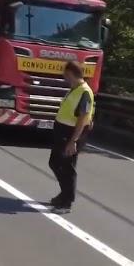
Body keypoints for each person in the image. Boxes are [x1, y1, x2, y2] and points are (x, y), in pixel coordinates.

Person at [48, 61, 94, 214]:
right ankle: (64, 194)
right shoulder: (74, 89)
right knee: (54, 163)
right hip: (62, 132)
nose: (64, 77)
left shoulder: (85, 92)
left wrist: (73, 141)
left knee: (67, 167)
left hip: (71, 135)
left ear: (71, 74)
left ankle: (66, 202)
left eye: (65, 75)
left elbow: (82, 118)